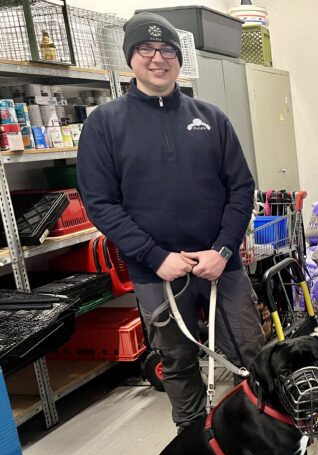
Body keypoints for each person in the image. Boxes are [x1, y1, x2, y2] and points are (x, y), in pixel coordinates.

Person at [77, 13, 265, 431]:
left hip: (222, 266)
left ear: (179, 59)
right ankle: (195, 445)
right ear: (131, 58)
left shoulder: (211, 118)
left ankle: (246, 438)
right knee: (177, 364)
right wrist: (155, 256)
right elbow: (100, 203)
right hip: (156, 271)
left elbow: (241, 188)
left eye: (167, 50)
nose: (157, 58)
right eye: (146, 49)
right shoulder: (104, 124)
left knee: (246, 354)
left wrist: (222, 250)